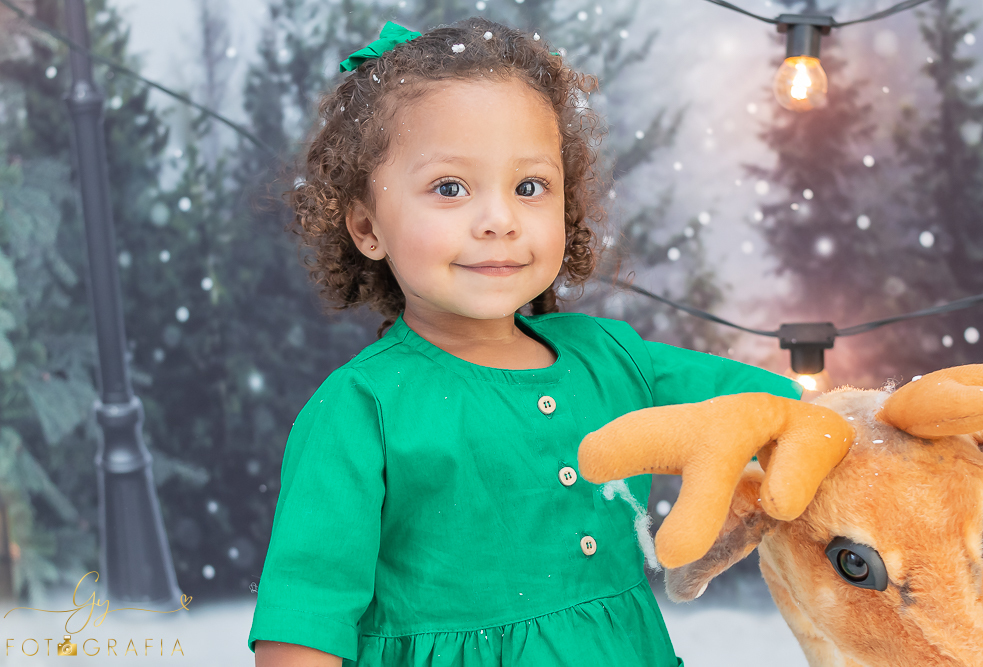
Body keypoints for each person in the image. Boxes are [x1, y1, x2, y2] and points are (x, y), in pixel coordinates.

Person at [249, 17, 802, 667]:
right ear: (368, 226)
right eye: (450, 188)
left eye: (529, 187)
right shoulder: (359, 409)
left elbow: (775, 411)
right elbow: (302, 628)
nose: (500, 221)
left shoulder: (614, 359)